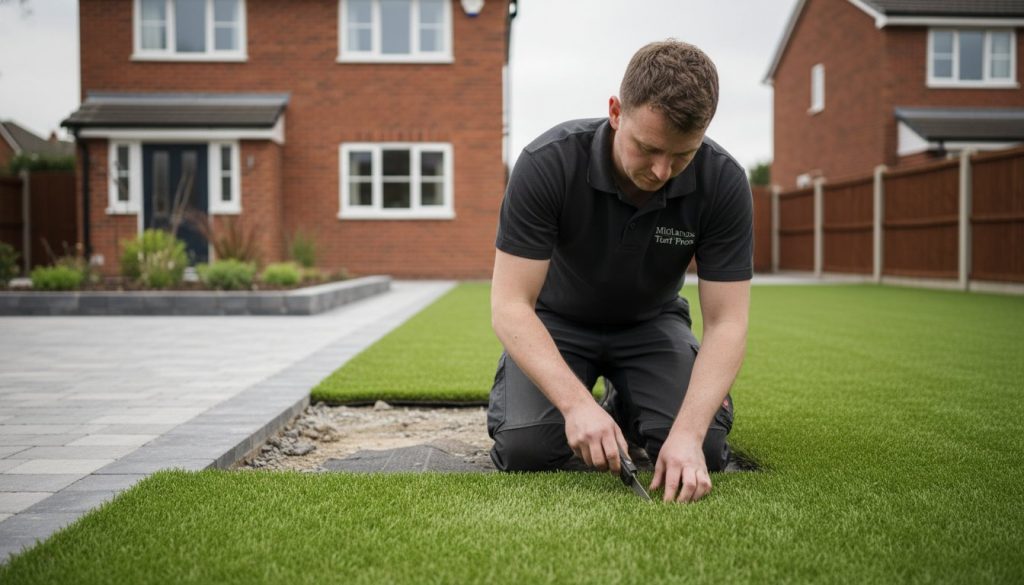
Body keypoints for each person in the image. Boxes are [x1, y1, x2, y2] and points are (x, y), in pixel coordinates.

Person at [487, 40, 752, 503]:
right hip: (557, 322)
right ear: (615, 111)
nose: (662, 170)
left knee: (705, 447)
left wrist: (687, 433)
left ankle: (627, 405)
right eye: (647, 148)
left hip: (652, 324)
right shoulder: (547, 163)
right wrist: (576, 406)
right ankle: (593, 403)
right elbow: (510, 306)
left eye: (683, 155)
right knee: (525, 446)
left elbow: (728, 322)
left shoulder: (723, 181)